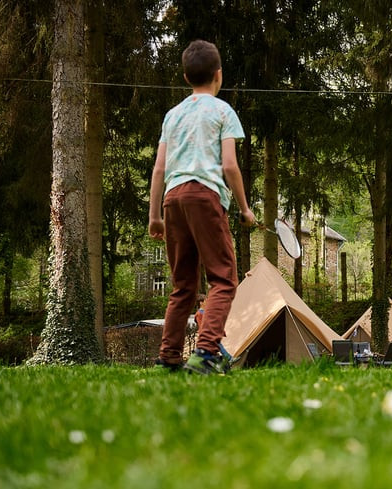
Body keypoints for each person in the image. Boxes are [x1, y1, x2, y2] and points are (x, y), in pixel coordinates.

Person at [148, 40, 255, 374]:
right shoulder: (223, 111)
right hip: (204, 196)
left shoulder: (173, 115)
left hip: (172, 200)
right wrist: (245, 208)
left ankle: (168, 358)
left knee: (183, 285)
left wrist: (155, 216)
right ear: (218, 75)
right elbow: (229, 167)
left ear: (185, 76)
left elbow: (160, 169)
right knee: (224, 279)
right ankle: (207, 353)